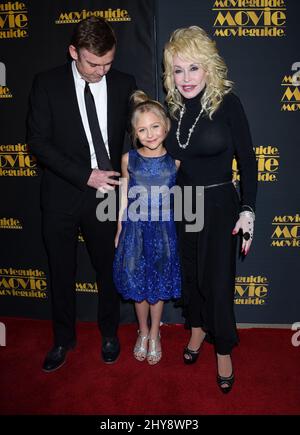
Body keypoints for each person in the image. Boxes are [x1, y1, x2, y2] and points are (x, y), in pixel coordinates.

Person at [27, 16, 136, 372]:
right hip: (62, 192)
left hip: (108, 193)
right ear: (74, 52)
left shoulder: (124, 84)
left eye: (108, 63)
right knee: (61, 271)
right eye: (93, 63)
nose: (101, 71)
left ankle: (109, 333)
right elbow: (38, 143)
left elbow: (135, 138)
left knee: (108, 269)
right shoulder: (47, 84)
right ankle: (63, 339)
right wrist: (84, 175)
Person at [163, 26, 257, 392]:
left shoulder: (227, 103)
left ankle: (224, 349)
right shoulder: (171, 107)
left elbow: (248, 161)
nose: (185, 78)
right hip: (183, 202)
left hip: (219, 203)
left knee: (217, 282)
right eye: (177, 70)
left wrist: (248, 209)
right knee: (191, 276)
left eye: (193, 68)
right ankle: (198, 329)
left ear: (208, 68)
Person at [113, 91, 181, 365]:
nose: (150, 134)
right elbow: (123, 197)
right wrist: (119, 227)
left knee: (159, 282)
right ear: (135, 133)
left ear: (165, 125)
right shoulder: (129, 159)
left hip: (164, 230)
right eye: (142, 129)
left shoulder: (175, 161)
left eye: (155, 127)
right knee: (138, 283)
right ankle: (142, 331)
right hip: (135, 229)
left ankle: (155, 332)